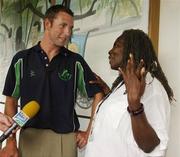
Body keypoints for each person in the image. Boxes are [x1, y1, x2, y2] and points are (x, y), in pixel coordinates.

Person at [1, 5, 103, 157]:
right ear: (47, 24)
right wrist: (10, 143)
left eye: (71, 28)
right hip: (29, 138)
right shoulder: (21, 59)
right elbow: (11, 100)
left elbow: (98, 94)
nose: (68, 33)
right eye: (63, 26)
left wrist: (89, 131)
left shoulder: (76, 62)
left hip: (65, 139)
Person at [84, 29, 174, 157]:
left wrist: (135, 105)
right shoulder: (122, 85)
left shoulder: (152, 87)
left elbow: (151, 146)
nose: (110, 51)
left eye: (117, 45)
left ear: (132, 51)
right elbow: (122, 123)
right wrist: (109, 94)